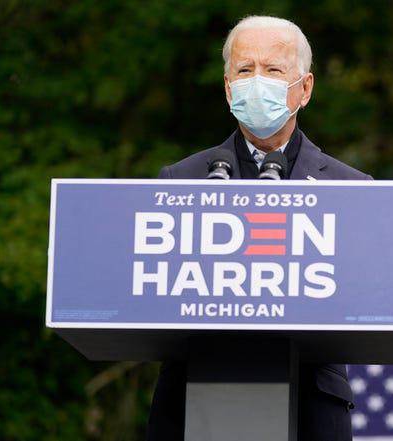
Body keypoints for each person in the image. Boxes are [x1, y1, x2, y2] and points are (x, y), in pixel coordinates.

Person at [146, 16, 371, 441]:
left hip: (311, 407)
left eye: (273, 70)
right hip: (197, 402)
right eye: (245, 70)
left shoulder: (352, 189)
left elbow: (365, 295)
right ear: (228, 88)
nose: (257, 82)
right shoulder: (181, 180)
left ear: (305, 88)